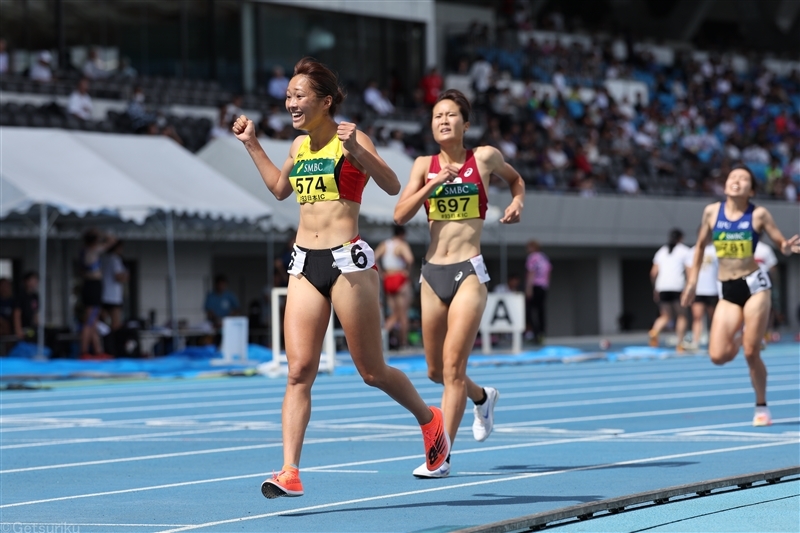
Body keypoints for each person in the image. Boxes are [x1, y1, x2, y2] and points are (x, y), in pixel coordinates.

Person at [232, 57, 449, 498]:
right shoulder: (297, 147)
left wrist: (360, 152)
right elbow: (279, 189)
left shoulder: (351, 138)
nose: (290, 102)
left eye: (299, 95)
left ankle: (430, 420)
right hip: (303, 262)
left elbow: (391, 187)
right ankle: (289, 471)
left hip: (347, 261)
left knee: (371, 371)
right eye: (288, 95)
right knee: (298, 372)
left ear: (325, 101)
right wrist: (253, 144)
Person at [393, 89, 524, 478]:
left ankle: (441, 455)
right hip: (431, 273)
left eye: (451, 115)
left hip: (469, 270)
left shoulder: (483, 157)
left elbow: (517, 181)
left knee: (452, 369)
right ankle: (482, 397)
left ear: (465, 124)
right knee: (436, 370)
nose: (443, 121)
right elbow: (400, 215)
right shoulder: (422, 164)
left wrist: (518, 202)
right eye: (437, 116)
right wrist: (433, 184)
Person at [681, 164, 800, 426]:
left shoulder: (758, 214)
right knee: (718, 356)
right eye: (732, 177)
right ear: (725, 185)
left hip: (755, 285)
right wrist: (691, 282)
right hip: (728, 288)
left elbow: (780, 241)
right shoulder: (712, 212)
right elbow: (700, 246)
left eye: (743, 179)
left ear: (751, 189)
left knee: (750, 353)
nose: (736, 181)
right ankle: (744, 337)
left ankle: (761, 406)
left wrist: (787, 247)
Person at [649, 228, 691, 350]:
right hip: (677, 287)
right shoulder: (684, 251)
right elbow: (689, 271)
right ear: (681, 238)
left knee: (666, 316)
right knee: (682, 316)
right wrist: (689, 287)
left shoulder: (661, 252)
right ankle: (680, 344)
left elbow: (653, 273)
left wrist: (655, 288)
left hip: (662, 287)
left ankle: (654, 331)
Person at [374, 225, 414, 349]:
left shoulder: (385, 244)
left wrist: (381, 273)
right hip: (399, 277)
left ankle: (386, 337)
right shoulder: (401, 245)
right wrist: (407, 272)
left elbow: (373, 257)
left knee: (394, 312)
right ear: (403, 234)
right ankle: (403, 342)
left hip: (388, 278)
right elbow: (410, 259)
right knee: (402, 314)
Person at [80, 230, 116, 359]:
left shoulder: (84, 251)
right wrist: (103, 234)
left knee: (94, 320)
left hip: (89, 285)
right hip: (93, 286)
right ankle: (84, 351)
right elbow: (112, 241)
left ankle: (98, 350)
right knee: (90, 320)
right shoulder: (93, 250)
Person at [684, 236, 718, 350]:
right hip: (698, 290)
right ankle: (696, 341)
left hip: (713, 289)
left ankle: (714, 342)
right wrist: (689, 288)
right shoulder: (693, 251)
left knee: (714, 318)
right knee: (697, 317)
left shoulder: (717, 249)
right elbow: (689, 271)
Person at [524, 240, 552, 345]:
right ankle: (541, 332)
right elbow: (548, 271)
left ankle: (535, 332)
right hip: (543, 286)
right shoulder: (544, 257)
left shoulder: (532, 258)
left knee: (529, 310)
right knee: (541, 310)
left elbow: (531, 272)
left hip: (535, 285)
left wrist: (528, 288)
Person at [101, 240, 128, 332]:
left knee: (103, 323)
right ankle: (114, 344)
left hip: (103, 295)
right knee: (116, 324)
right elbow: (118, 277)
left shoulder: (103, 258)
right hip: (113, 297)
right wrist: (126, 275)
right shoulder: (115, 259)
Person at [13, 271, 40, 341]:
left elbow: (35, 313)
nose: (35, 282)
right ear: (26, 281)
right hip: (22, 327)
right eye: (32, 280)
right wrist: (18, 330)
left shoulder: (35, 296)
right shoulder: (21, 295)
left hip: (30, 327)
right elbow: (17, 313)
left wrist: (39, 327)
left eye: (36, 280)